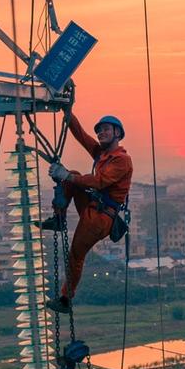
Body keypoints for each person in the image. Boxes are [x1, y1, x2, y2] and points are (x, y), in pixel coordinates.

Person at [41, 113, 133, 313]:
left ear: (117, 133)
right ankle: (58, 218)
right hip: (94, 207)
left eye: (106, 129)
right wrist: (68, 114)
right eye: (99, 130)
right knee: (73, 176)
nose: (101, 133)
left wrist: (66, 176)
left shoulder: (121, 160)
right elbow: (82, 136)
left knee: (76, 255)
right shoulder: (103, 155)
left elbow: (99, 182)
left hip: (100, 218)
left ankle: (66, 299)